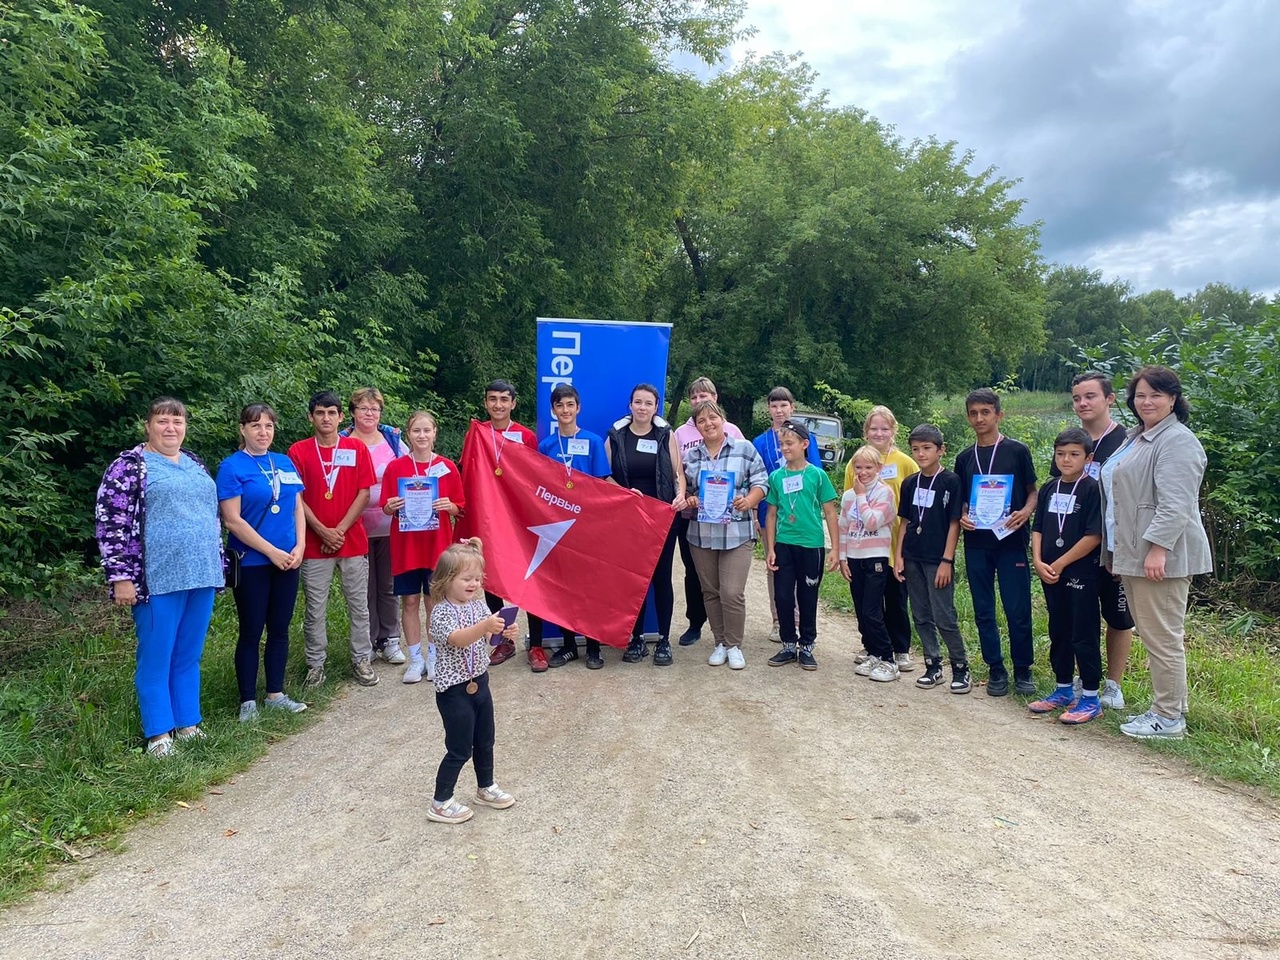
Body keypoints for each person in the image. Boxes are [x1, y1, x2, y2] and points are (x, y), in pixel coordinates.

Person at [95, 397, 223, 758]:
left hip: (200, 574)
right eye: (163, 421)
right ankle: (159, 734)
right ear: (148, 425)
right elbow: (111, 523)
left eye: (178, 422)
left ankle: (189, 724)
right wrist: (120, 576)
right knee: (157, 656)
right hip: (157, 579)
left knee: (187, 655)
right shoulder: (130, 466)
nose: (171, 428)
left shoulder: (195, 463)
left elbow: (210, 518)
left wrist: (218, 566)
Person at [1101, 366, 1212, 740]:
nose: (1146, 402)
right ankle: (1173, 707)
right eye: (1140, 395)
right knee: (1156, 634)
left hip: (1158, 556)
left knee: (1162, 637)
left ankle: (1167, 718)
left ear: (1174, 399)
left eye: (1156, 395)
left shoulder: (1176, 441)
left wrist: (1157, 550)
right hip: (1133, 552)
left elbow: (1176, 503)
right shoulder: (1139, 436)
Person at [216, 404, 308, 722]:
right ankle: (247, 701)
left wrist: (301, 545)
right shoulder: (232, 467)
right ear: (242, 429)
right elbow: (233, 521)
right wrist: (271, 552)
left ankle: (276, 694)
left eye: (268, 426)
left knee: (280, 629)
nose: (263, 432)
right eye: (255, 426)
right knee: (252, 630)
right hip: (253, 561)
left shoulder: (282, 462)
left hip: (288, 559)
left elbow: (297, 506)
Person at [1050, 371, 1134, 710]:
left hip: (1115, 548)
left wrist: (1124, 552)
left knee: (1118, 617)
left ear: (1109, 399)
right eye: (1077, 398)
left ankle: (1112, 685)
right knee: (1077, 619)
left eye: (1090, 396)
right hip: (1077, 551)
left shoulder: (1127, 441)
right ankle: (1077, 682)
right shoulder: (1070, 442)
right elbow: (1057, 491)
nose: (1082, 403)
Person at [425, 539, 521, 824]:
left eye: (478, 579)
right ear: (446, 579)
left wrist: (505, 632)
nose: (474, 584)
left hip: (480, 681)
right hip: (453, 691)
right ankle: (440, 801)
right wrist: (485, 626)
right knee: (459, 747)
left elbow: (489, 639)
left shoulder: (479, 607)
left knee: (485, 739)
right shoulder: (440, 612)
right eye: (466, 578)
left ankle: (485, 787)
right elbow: (457, 639)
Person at [287, 390, 378, 688]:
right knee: (315, 608)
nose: (326, 418)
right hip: (314, 544)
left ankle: (362, 659)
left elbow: (364, 492)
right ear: (311, 416)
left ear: (341, 416)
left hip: (351, 541)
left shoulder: (356, 448)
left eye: (331, 413)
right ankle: (315, 664)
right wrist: (322, 531)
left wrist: (337, 530)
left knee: (359, 605)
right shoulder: (298, 451)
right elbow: (296, 497)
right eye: (320, 413)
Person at [955, 388, 1039, 697]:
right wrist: (963, 515)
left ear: (998, 414)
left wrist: (1026, 511)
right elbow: (962, 500)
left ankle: (1023, 668)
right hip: (977, 542)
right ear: (968, 417)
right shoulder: (965, 457)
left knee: (1017, 608)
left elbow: (1033, 491)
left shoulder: (1017, 451)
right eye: (974, 413)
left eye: (985, 412)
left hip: (1011, 541)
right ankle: (996, 669)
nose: (979, 418)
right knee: (983, 609)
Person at [682, 401, 768, 670]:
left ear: (723, 419)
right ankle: (719, 642)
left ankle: (734, 645)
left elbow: (762, 482)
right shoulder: (691, 457)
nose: (708, 424)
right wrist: (691, 500)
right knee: (711, 591)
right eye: (702, 421)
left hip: (737, 531)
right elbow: (683, 491)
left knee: (731, 592)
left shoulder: (745, 449)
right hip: (702, 533)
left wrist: (749, 500)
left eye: (713, 418)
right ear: (696, 427)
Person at [605, 383, 687, 666]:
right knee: (634, 580)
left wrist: (680, 494)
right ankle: (636, 638)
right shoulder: (616, 436)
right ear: (630, 405)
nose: (642, 407)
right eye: (637, 402)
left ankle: (663, 641)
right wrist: (624, 493)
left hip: (663, 517)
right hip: (630, 519)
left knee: (661, 579)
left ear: (656, 407)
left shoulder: (666, 435)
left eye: (648, 403)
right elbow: (605, 477)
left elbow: (679, 473)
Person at [533, 383, 613, 669]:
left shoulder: (592, 441)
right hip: (557, 526)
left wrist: (631, 496)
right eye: (559, 406)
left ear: (578, 408)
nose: (565, 410)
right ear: (553, 411)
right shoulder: (546, 446)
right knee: (563, 587)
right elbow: (540, 485)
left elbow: (604, 482)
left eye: (570, 405)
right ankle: (569, 646)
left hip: (587, 525)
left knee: (588, 588)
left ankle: (593, 647)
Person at [380, 411, 463, 684]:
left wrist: (448, 506)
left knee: (433, 602)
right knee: (410, 601)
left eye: (427, 430)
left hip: (436, 546)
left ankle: (435, 656)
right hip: (406, 546)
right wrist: (391, 506)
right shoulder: (396, 467)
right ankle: (415, 659)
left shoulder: (447, 467)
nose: (422, 436)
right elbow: (386, 506)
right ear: (408, 434)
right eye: (417, 431)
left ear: (435, 433)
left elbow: (459, 508)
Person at [459, 379, 537, 667]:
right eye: (493, 399)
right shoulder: (476, 434)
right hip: (488, 516)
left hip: (518, 517)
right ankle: (503, 640)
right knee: (490, 577)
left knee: (527, 577)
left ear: (513, 403)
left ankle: (536, 643)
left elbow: (535, 477)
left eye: (504, 399)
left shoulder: (525, 436)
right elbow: (467, 474)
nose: (498, 404)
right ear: (485, 403)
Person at [1030, 427, 1105, 724]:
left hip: (1079, 572)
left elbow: (1094, 535)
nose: (1066, 460)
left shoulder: (1092, 489)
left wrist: (1060, 563)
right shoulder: (1050, 487)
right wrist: (1037, 560)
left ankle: (1090, 696)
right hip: (1049, 571)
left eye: (1074, 455)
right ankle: (1062, 690)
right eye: (1060, 454)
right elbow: (1037, 528)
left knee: (1082, 633)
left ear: (1088, 458)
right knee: (1058, 628)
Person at [894, 425, 969, 693]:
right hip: (912, 556)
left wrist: (947, 561)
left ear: (940, 450)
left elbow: (954, 524)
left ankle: (960, 667)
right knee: (921, 614)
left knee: (943, 615)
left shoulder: (951, 481)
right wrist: (899, 556)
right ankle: (933, 664)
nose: (921, 453)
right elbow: (905, 522)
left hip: (937, 559)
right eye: (916, 449)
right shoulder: (910, 482)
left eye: (927, 448)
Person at [844, 406, 919, 672]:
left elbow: (914, 500)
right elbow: (850, 503)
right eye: (874, 428)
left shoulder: (905, 462)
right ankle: (872, 645)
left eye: (884, 428)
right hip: (865, 543)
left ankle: (899, 649)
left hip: (895, 539)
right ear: (866, 432)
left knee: (896, 597)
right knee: (867, 599)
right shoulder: (857, 462)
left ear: (893, 431)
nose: (879, 433)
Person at [672, 377, 745, 647]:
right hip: (694, 519)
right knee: (696, 574)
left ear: (716, 399)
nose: (700, 402)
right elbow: (678, 473)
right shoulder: (680, 433)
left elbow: (745, 474)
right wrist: (686, 497)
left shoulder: (734, 432)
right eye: (694, 397)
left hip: (729, 520)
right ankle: (695, 624)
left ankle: (730, 636)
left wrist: (744, 500)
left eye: (705, 396)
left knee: (728, 582)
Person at [763, 420, 839, 671]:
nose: (785, 448)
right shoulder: (776, 476)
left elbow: (829, 513)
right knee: (783, 597)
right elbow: (771, 514)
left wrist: (835, 549)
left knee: (808, 597)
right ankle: (787, 643)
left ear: (804, 444)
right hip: (784, 544)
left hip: (811, 546)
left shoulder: (817, 475)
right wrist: (771, 548)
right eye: (782, 444)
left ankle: (807, 645)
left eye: (790, 443)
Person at [752, 387, 822, 643]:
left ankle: (801, 622)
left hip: (802, 516)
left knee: (802, 571)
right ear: (768, 409)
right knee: (776, 568)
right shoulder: (760, 442)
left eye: (784, 405)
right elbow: (756, 479)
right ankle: (778, 619)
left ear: (792, 407)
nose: (779, 410)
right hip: (770, 514)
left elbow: (815, 472)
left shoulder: (806, 438)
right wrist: (757, 516)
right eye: (774, 406)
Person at [342, 387, 405, 666]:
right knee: (362, 588)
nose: (369, 414)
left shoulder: (392, 440)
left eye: (375, 409)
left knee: (389, 585)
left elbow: (410, 467)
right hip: (354, 527)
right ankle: (366, 641)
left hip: (391, 524)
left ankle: (390, 639)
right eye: (364, 408)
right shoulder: (343, 442)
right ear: (353, 412)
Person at [834, 444, 898, 680]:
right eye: (858, 467)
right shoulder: (849, 496)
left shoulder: (884, 493)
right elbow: (843, 528)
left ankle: (888, 658)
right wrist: (842, 558)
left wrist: (861, 495)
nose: (862, 472)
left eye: (868, 467)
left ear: (879, 467)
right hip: (854, 557)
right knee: (861, 610)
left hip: (875, 558)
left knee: (872, 610)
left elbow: (872, 522)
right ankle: (872, 652)